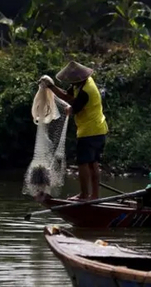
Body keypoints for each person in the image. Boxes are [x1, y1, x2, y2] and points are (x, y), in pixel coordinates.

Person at [40, 61, 108, 200]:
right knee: (93, 163)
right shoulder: (81, 83)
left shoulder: (86, 91)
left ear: (78, 78)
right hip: (99, 130)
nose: (71, 83)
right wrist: (51, 87)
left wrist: (69, 109)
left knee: (83, 163)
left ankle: (84, 195)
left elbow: (74, 107)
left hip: (89, 132)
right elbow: (66, 95)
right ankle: (94, 196)